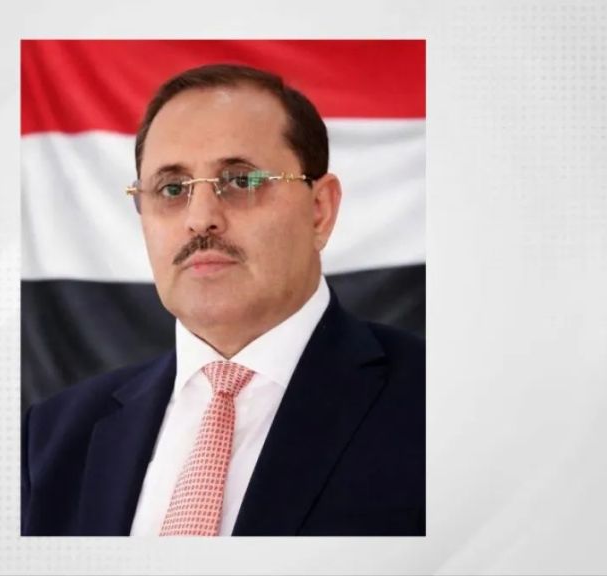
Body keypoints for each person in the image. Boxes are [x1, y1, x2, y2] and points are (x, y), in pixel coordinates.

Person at [21, 63, 425, 536]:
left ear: (319, 211)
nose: (200, 218)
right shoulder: (51, 437)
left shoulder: (435, 403)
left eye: (241, 181)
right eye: (172, 189)